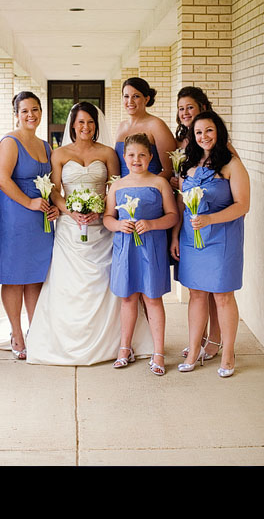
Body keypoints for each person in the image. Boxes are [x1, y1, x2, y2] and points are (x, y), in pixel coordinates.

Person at [22, 103, 154, 365]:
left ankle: (115, 342)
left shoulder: (107, 153)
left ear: (96, 125)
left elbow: (115, 188)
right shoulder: (59, 154)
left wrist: (100, 211)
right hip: (70, 228)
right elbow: (56, 190)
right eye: (81, 122)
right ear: (73, 124)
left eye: (90, 123)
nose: (86, 127)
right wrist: (70, 212)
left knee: (104, 282)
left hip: (100, 228)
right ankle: (59, 341)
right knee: (68, 285)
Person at [171, 111, 249, 377]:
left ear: (219, 132)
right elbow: (182, 204)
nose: (204, 136)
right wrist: (175, 236)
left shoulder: (232, 164)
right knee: (196, 294)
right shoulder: (187, 165)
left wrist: (210, 219)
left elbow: (243, 205)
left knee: (223, 295)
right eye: (199, 132)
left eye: (209, 131)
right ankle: (194, 350)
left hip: (222, 238)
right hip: (191, 239)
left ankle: (228, 353)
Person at [0, 92, 58, 359]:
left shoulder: (46, 146)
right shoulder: (10, 142)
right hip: (14, 215)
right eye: (24, 110)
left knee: (35, 276)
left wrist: (53, 207)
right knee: (15, 276)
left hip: (39, 218)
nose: (30, 115)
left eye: (35, 110)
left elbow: (52, 183)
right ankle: (16, 333)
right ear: (16, 113)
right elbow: (2, 178)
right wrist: (29, 203)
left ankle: (34, 330)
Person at [105, 133, 178, 374]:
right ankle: (125, 347)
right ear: (124, 157)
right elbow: (107, 218)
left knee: (152, 299)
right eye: (132, 155)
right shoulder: (117, 185)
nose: (137, 159)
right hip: (126, 249)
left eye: (142, 155)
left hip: (151, 248)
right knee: (127, 299)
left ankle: (158, 352)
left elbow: (172, 216)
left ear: (150, 157)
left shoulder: (159, 183)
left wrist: (152, 224)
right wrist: (118, 226)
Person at [114, 77, 176, 178]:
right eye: (126, 96)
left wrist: (147, 188)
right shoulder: (121, 126)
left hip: (151, 188)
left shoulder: (156, 125)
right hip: (122, 188)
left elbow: (169, 170)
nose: (130, 101)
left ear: (146, 99)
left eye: (136, 96)